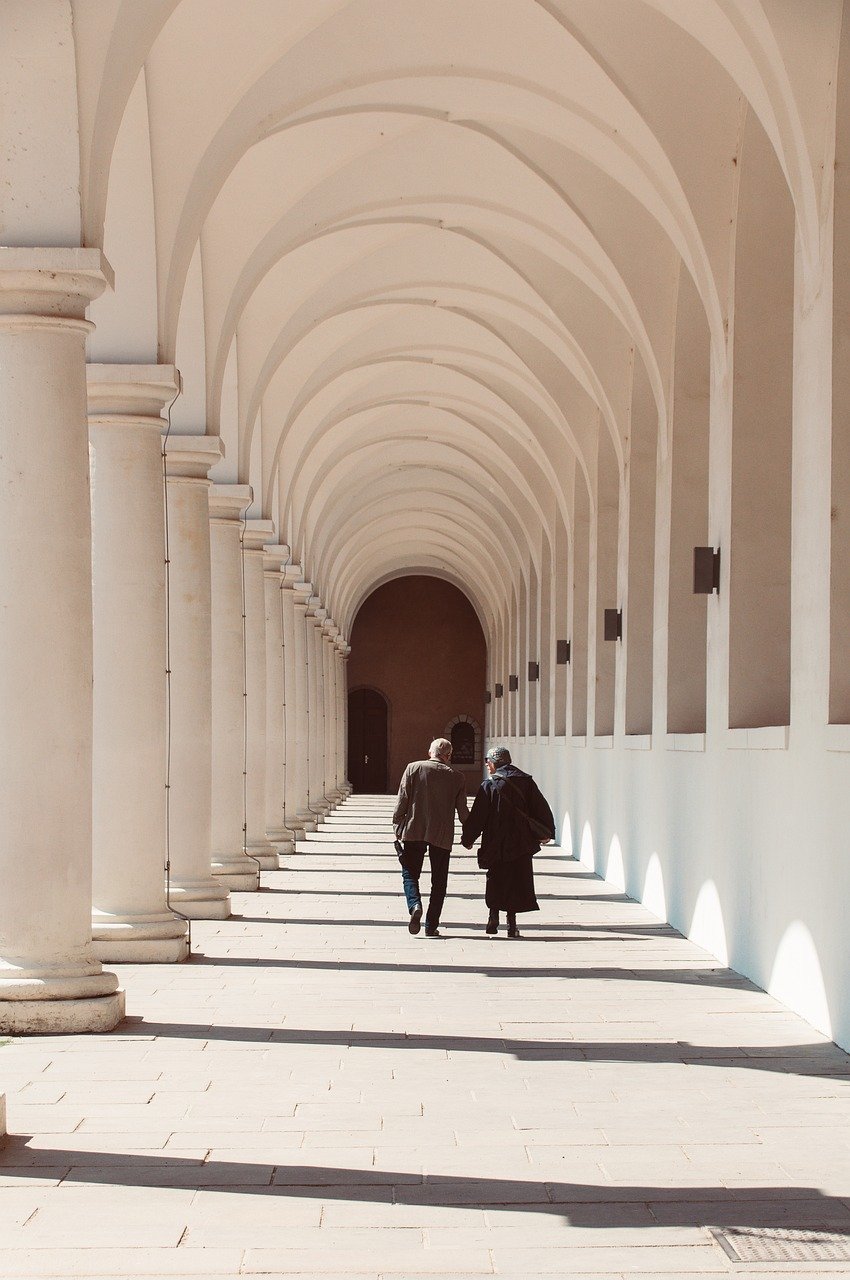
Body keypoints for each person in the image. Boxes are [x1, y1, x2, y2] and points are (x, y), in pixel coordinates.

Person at [461, 745, 555, 938]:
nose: (487, 765)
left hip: (495, 841)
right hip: (521, 842)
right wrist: (547, 832)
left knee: (495, 877)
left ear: (495, 762)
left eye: (488, 761)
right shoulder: (526, 781)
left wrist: (468, 838)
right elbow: (541, 807)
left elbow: (478, 816)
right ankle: (512, 925)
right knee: (516, 880)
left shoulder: (489, 785)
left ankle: (493, 917)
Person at [393, 737, 469, 937]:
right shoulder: (457, 777)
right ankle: (431, 925)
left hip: (414, 830)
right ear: (448, 756)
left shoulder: (413, 768)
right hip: (442, 834)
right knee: (439, 881)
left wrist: (397, 825)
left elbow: (402, 799)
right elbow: (463, 811)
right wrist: (470, 834)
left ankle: (415, 905)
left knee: (410, 873)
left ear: (430, 753)